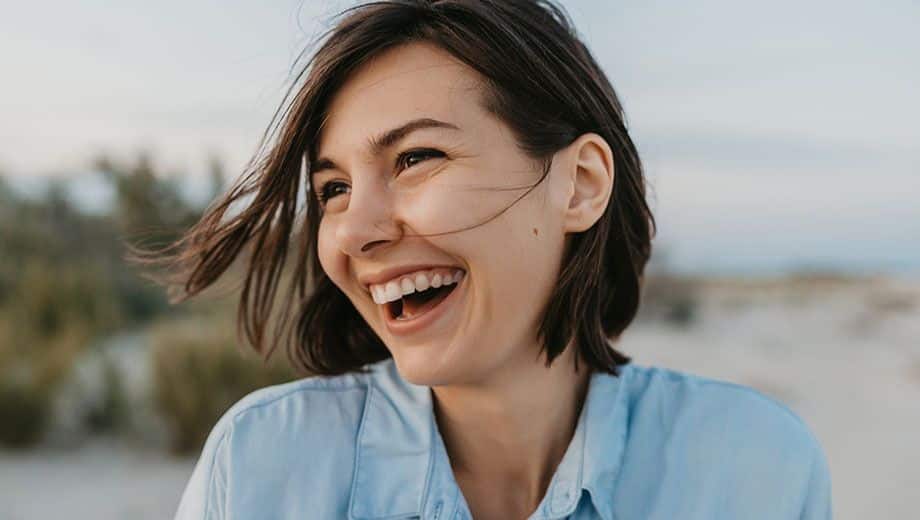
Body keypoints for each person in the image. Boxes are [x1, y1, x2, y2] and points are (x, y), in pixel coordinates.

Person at [148, 1, 832, 518]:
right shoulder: (263, 466)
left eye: (417, 158)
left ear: (582, 184)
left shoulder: (756, 468)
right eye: (333, 189)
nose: (355, 230)